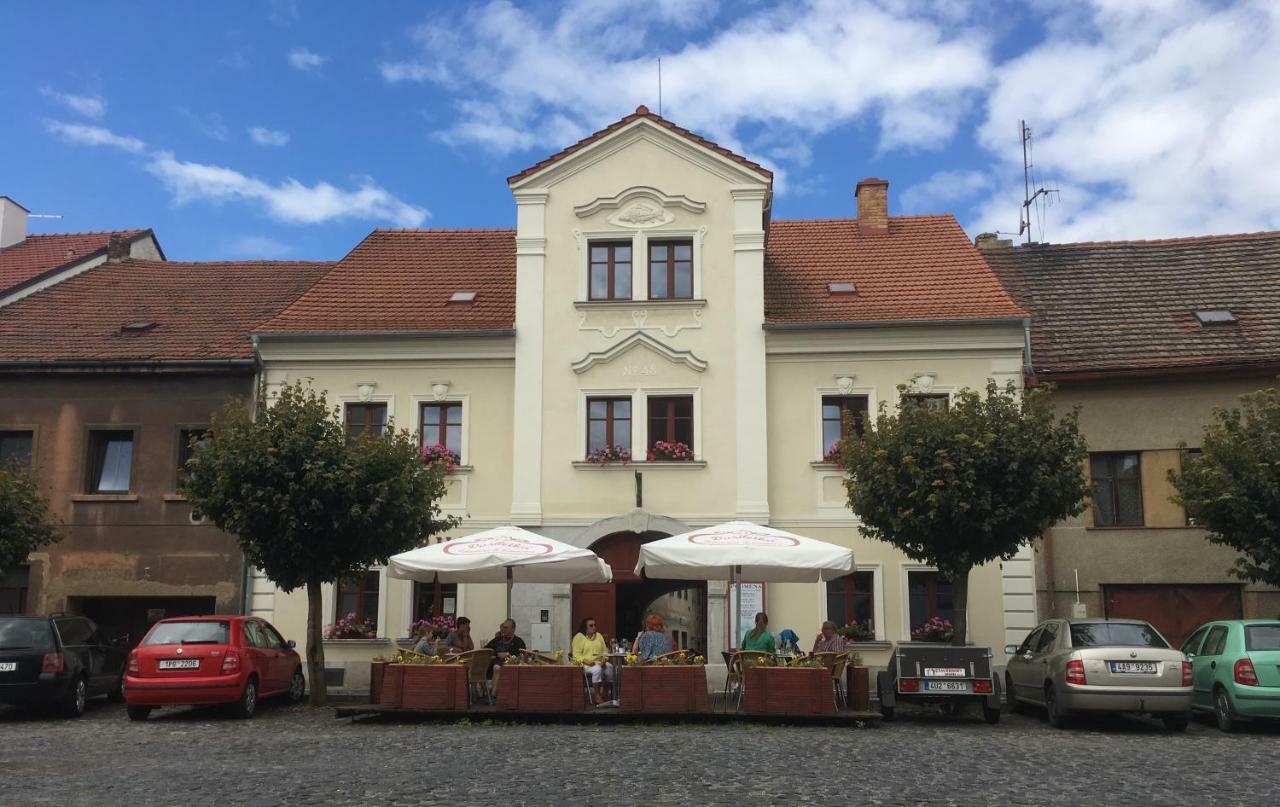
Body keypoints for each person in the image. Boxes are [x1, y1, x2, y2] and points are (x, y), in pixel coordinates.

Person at [571, 617, 614, 704]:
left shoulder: (598, 636)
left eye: (595, 625)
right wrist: (585, 660)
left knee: (610, 667)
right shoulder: (579, 637)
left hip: (599, 662)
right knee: (597, 669)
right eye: (591, 625)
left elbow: (605, 651)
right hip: (586, 664)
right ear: (585, 627)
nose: (594, 627)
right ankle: (597, 695)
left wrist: (604, 659)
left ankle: (605, 692)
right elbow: (575, 655)